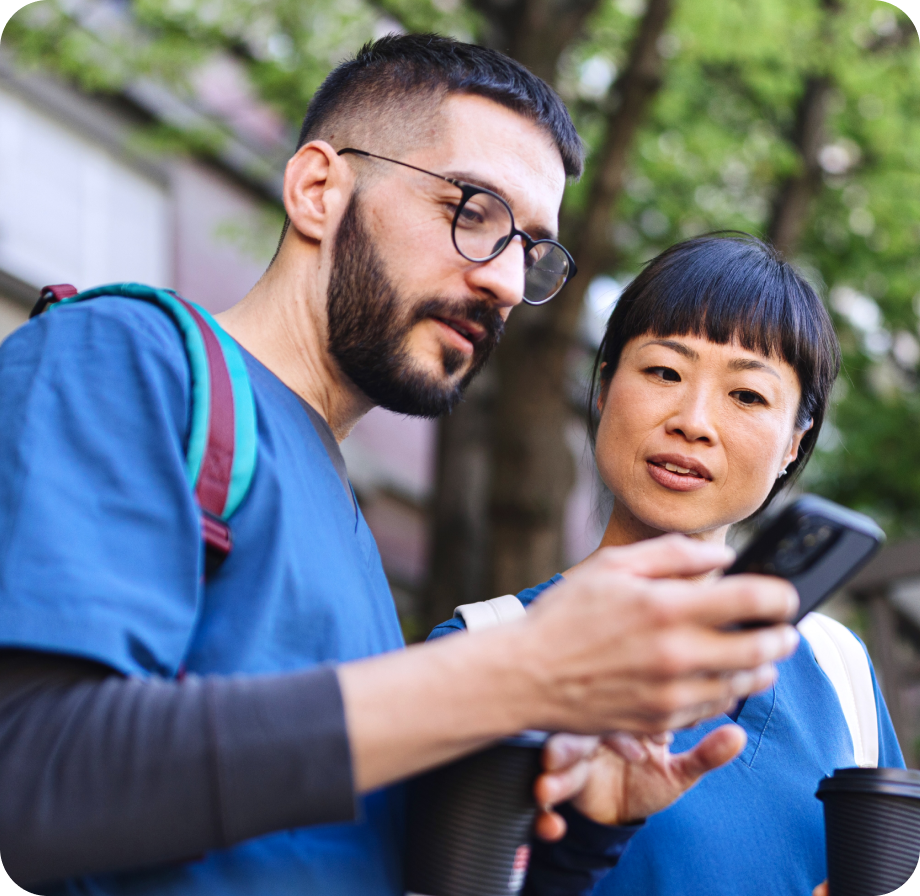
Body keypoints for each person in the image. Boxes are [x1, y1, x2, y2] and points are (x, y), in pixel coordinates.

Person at [0, 38, 800, 895]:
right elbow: (31, 773)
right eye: (475, 210)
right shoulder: (125, 357)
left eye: (529, 247)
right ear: (318, 190)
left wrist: (586, 832)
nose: (503, 280)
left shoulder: (343, 513)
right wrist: (511, 673)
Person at [432, 234, 905, 895]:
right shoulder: (477, 655)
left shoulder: (839, 667)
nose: (693, 421)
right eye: (663, 372)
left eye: (747, 395)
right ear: (603, 388)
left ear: (795, 443)